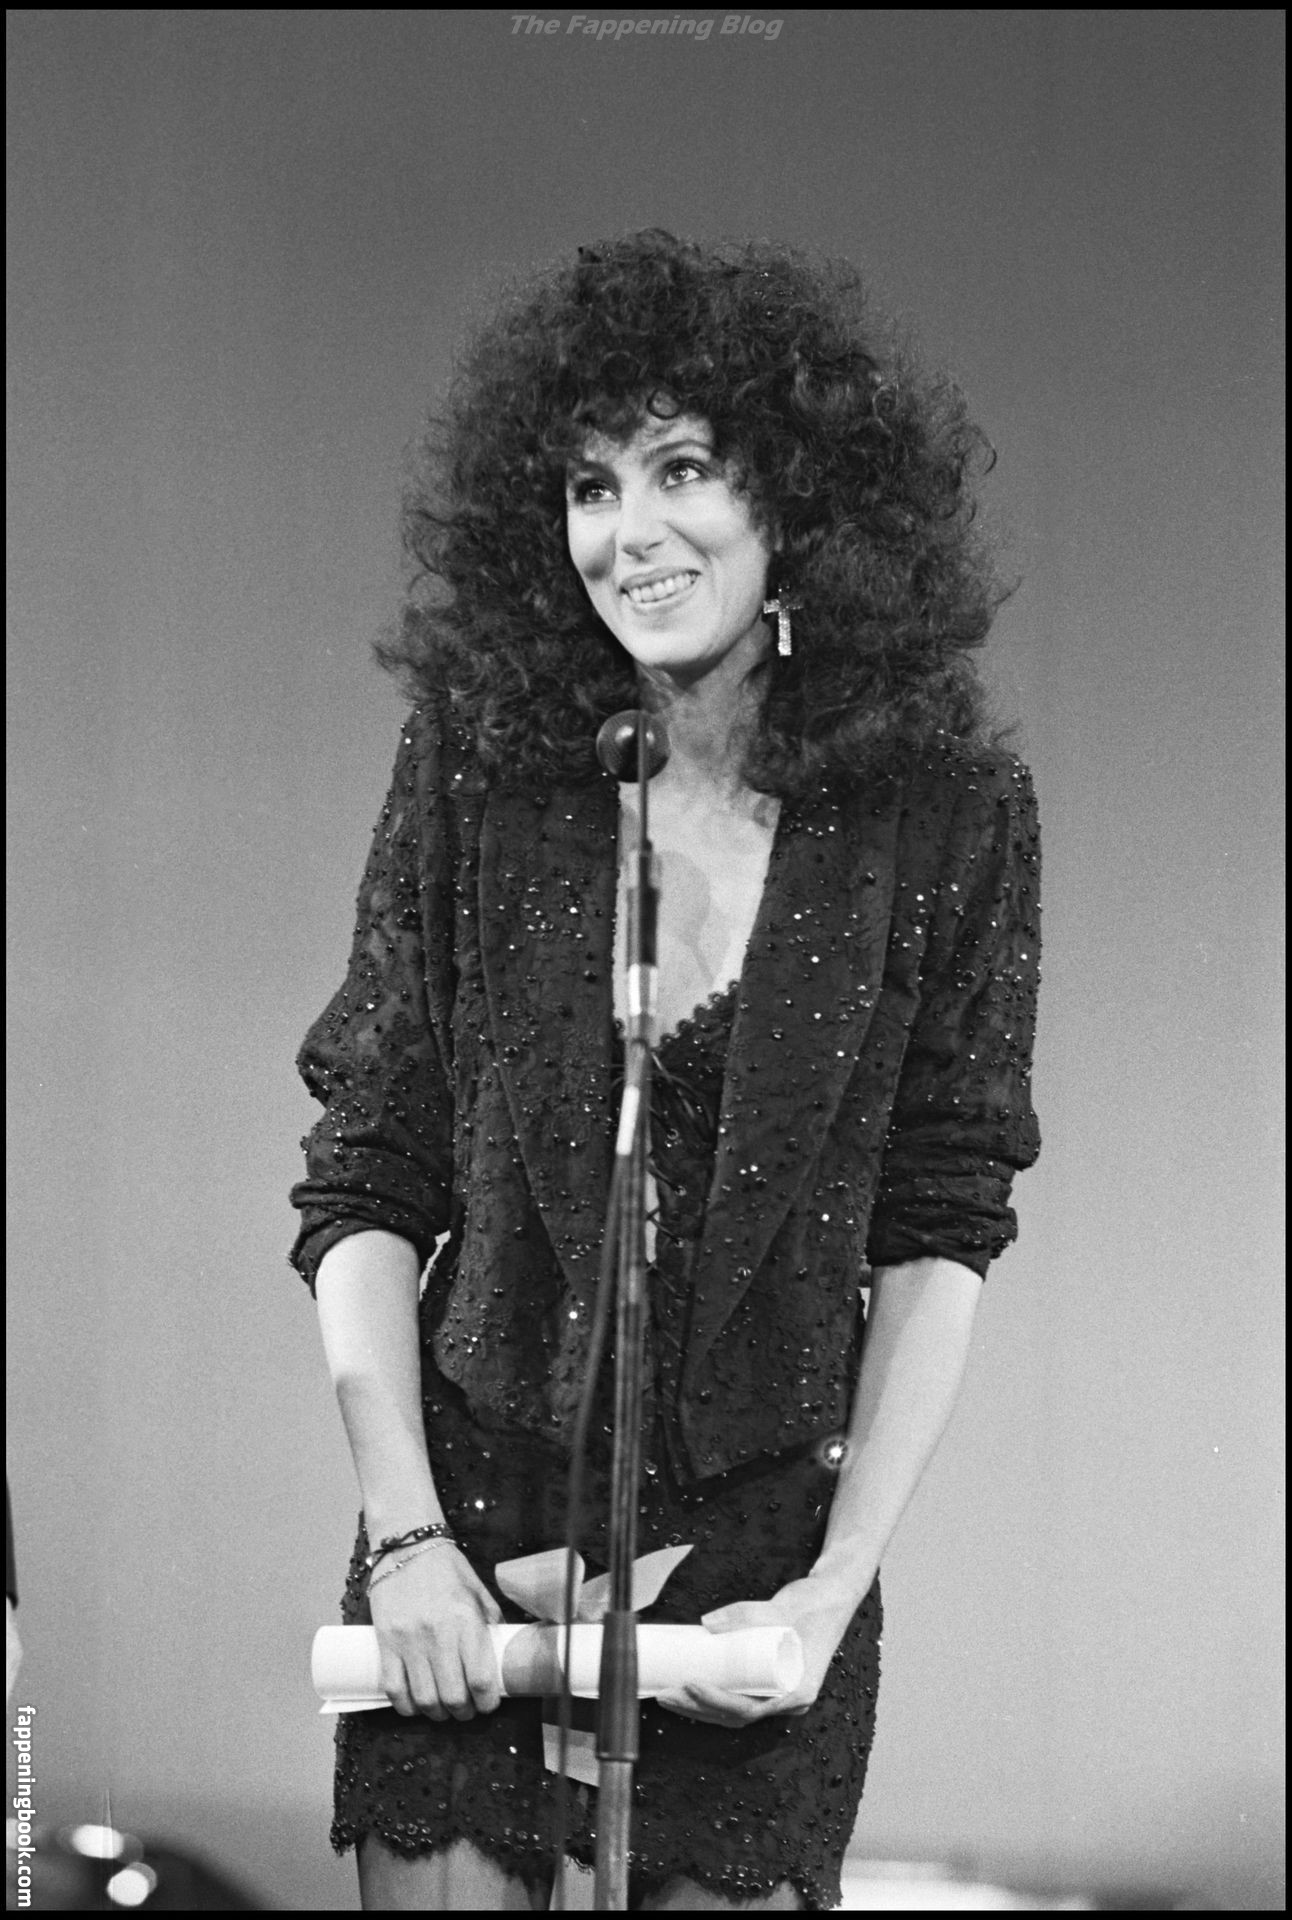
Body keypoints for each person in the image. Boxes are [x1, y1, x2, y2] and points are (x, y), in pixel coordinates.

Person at [289, 230, 1041, 1913]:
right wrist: (405, 1532)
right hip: (459, 1550)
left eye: (682, 470)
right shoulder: (483, 771)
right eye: (590, 486)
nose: (630, 532)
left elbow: (941, 1224)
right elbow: (368, 1170)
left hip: (758, 1575)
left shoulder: (946, 814)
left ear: (799, 500)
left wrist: (839, 1584)